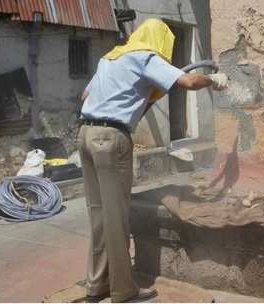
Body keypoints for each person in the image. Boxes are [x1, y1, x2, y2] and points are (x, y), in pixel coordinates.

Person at [78, 18, 227, 303]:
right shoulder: (144, 57)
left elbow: (85, 94)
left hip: (86, 133)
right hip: (111, 138)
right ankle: (123, 290)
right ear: (159, 40)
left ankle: (96, 285)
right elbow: (188, 80)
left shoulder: (110, 58)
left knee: (97, 213)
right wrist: (213, 80)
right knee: (116, 216)